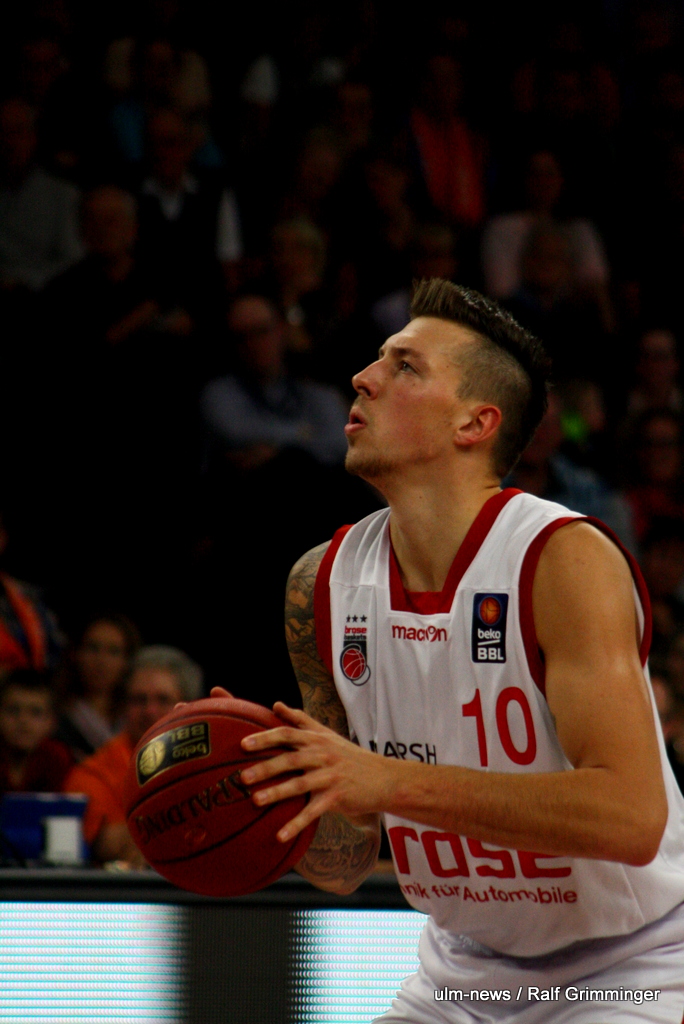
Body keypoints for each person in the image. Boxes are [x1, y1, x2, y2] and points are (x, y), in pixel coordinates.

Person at [224, 279, 684, 1022]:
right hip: (462, 972)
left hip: (633, 965)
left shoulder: (561, 559)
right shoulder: (321, 583)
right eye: (377, 359)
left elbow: (631, 820)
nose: (363, 378)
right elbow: (342, 865)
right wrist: (264, 783)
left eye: (404, 366)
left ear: (476, 422)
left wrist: (388, 781)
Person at [64, 645, 202, 866]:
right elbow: (108, 844)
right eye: (139, 700)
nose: (150, 711)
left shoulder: (213, 758)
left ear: (189, 706)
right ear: (123, 706)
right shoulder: (92, 772)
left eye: (163, 700)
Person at [56, 613, 141, 761]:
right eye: (93, 648)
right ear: (76, 654)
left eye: (113, 651)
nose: (101, 661)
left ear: (127, 661)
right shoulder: (54, 717)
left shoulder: (137, 717)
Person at [0, 669, 73, 793]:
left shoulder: (57, 758)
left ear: (52, 721)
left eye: (35, 712)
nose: (23, 720)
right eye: (13, 710)